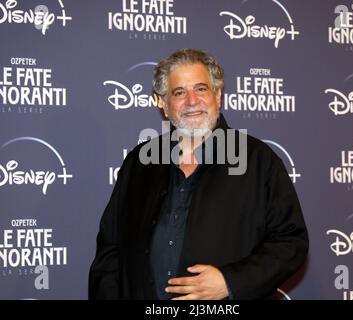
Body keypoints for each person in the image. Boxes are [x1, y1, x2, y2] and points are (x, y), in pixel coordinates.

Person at [88, 48, 308, 300]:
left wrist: (230, 282)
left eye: (201, 89)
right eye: (179, 92)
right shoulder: (139, 163)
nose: (192, 101)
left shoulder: (258, 160)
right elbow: (110, 250)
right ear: (163, 104)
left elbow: (291, 242)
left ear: (218, 95)